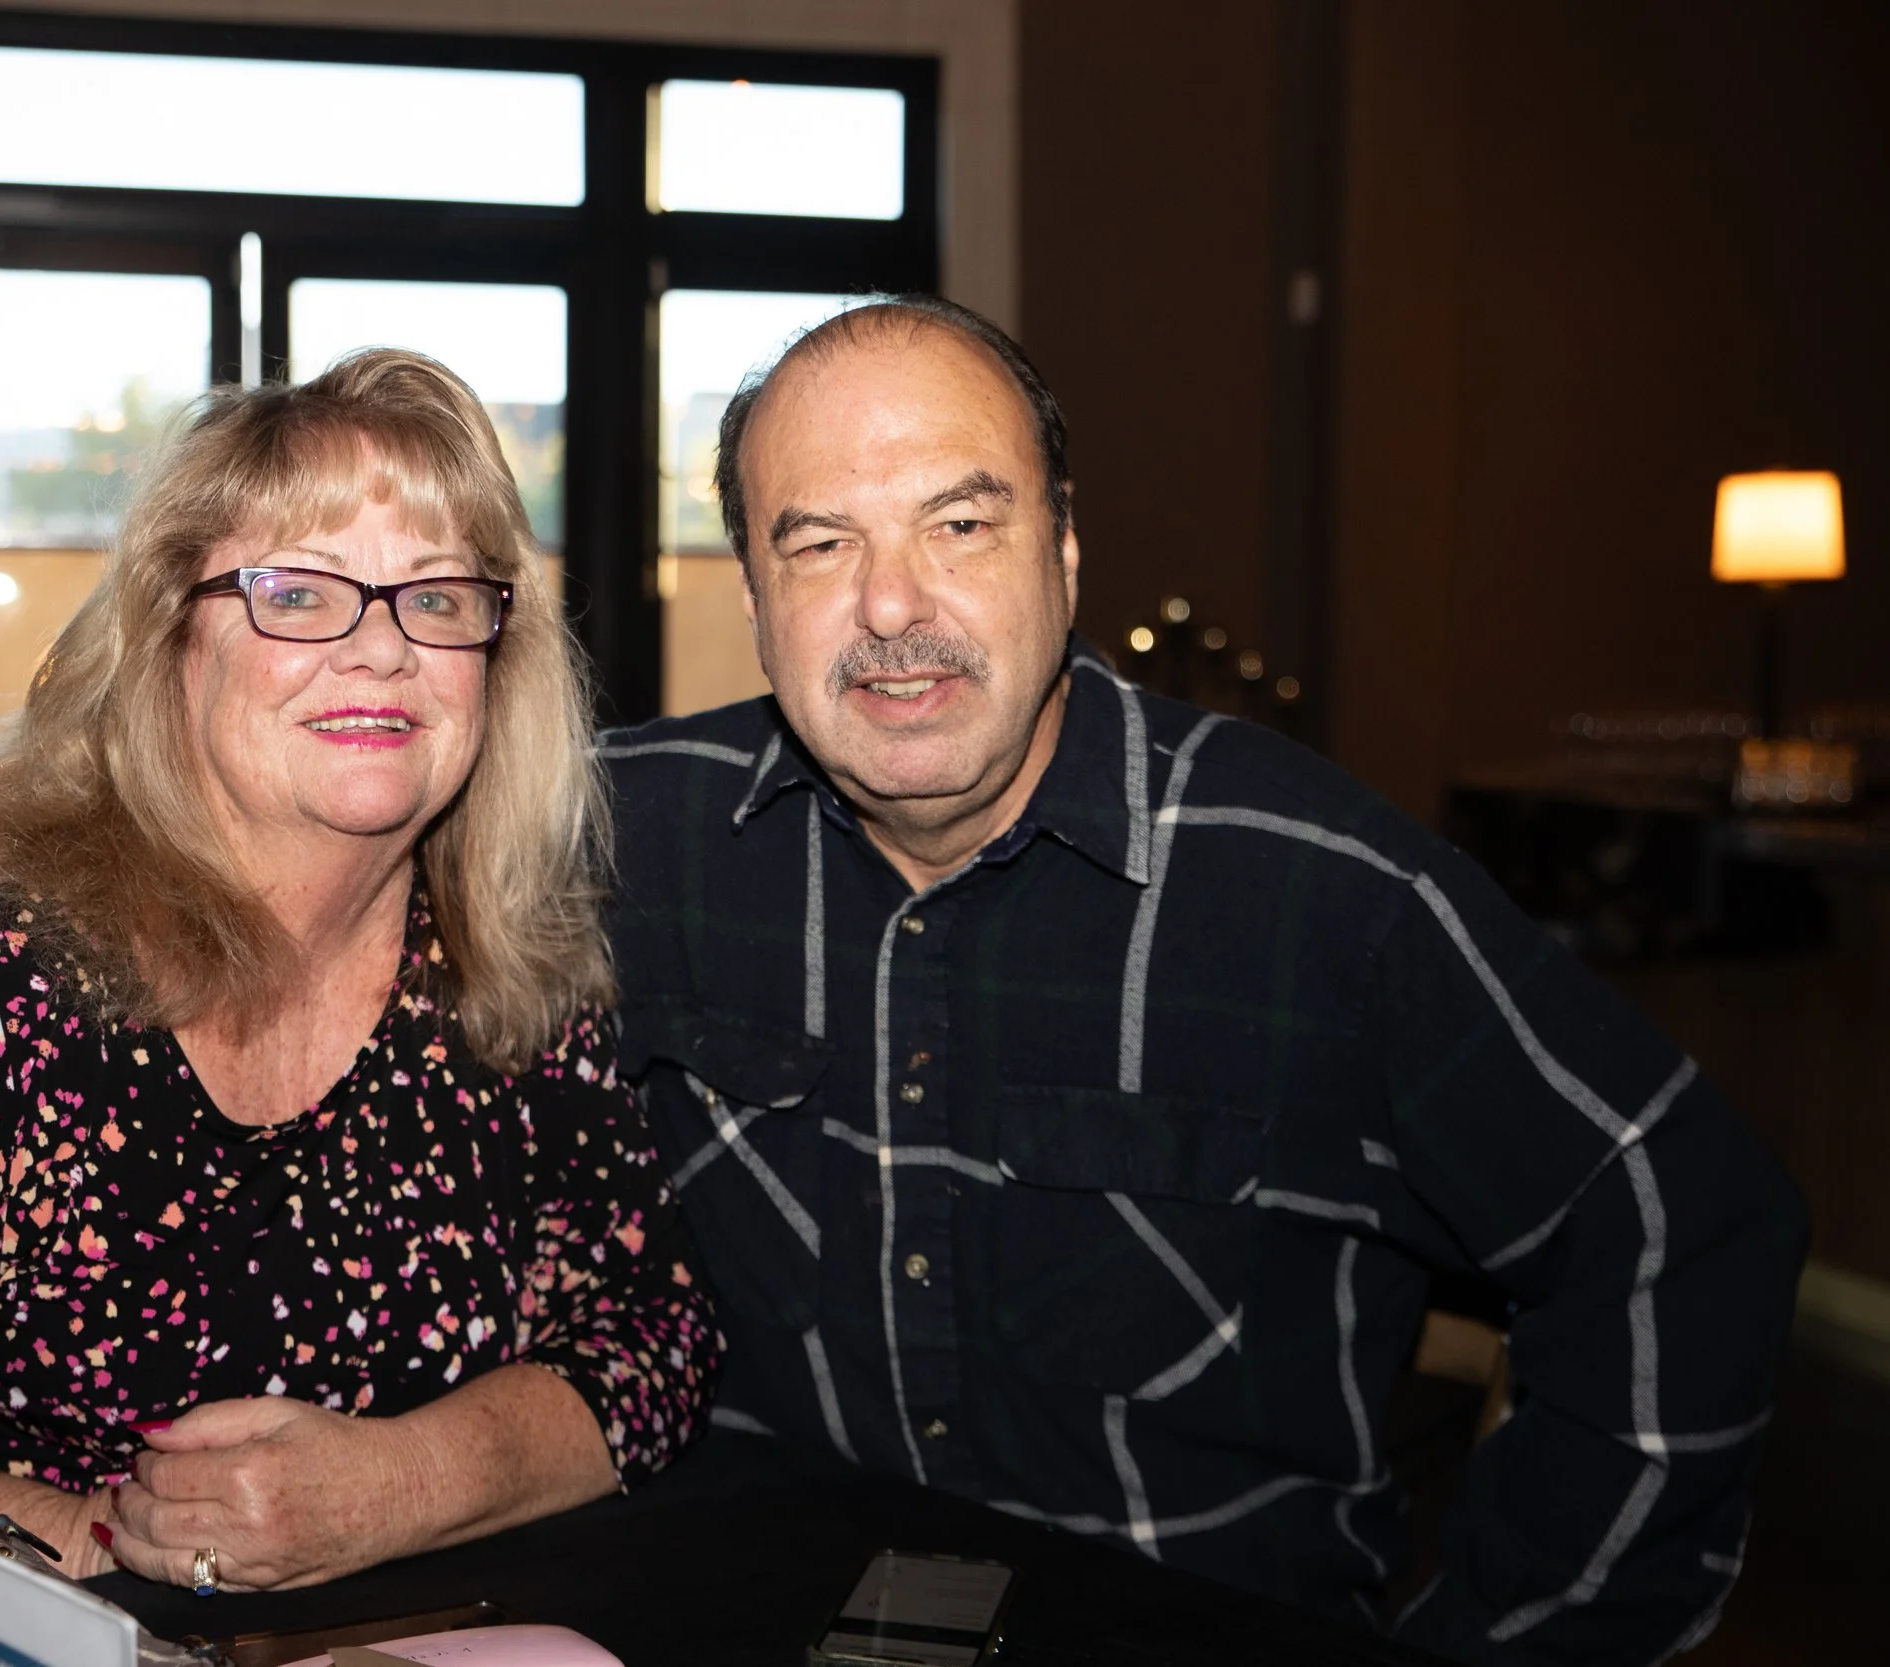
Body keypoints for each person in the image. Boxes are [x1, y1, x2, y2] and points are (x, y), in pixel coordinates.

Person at [600, 295, 1806, 1663]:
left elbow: (1678, 1215)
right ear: (754, 598)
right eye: (818, 543)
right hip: (746, 1610)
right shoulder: (635, 838)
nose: (891, 603)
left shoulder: (1315, 884)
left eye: (961, 523)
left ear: (1063, 549)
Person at [0, 350, 719, 1592]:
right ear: (168, 646)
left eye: (434, 597)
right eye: (299, 591)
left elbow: (657, 1334)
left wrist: (400, 1483)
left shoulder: (498, 984)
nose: (381, 648)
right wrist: (99, 1535)